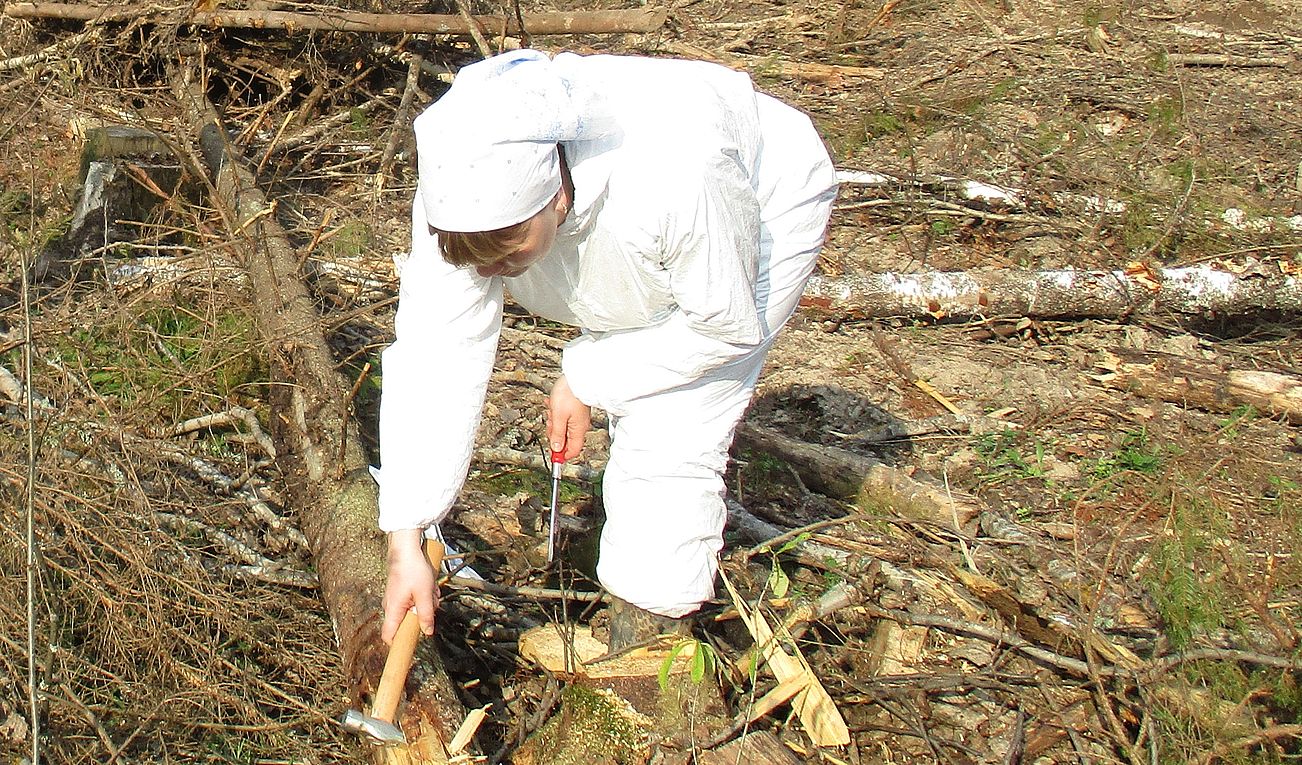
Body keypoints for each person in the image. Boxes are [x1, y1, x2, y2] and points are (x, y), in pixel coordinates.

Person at [377, 49, 838, 649]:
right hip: (640, 240)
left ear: (557, 196)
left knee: (675, 422)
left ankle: (649, 651)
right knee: (623, 347)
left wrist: (587, 375)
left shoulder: (679, 174)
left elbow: (723, 325)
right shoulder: (460, 186)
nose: (499, 270)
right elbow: (436, 351)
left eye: (512, 249)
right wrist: (406, 533)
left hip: (760, 198)